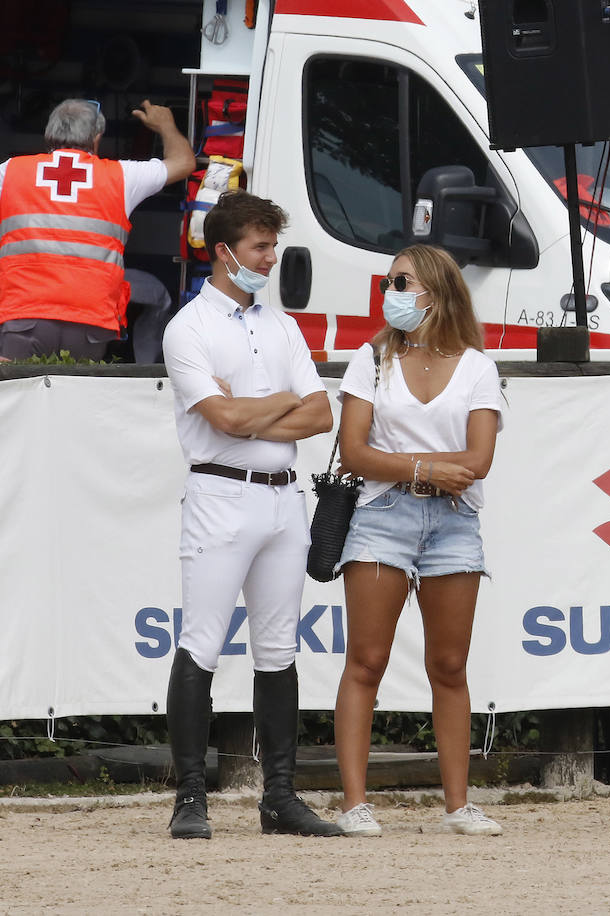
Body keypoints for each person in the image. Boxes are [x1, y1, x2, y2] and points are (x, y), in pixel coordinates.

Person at [162, 191, 341, 840]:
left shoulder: (280, 324)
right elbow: (222, 419)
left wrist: (255, 406)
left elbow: (322, 414)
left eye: (271, 246)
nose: (270, 258)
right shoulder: (189, 328)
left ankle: (279, 798)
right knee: (201, 643)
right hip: (219, 495)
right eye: (259, 247)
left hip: (282, 498)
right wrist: (276, 403)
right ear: (224, 252)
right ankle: (190, 799)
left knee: (278, 649)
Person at [331, 244, 505, 838]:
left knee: (450, 664)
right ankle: (354, 803)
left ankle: (458, 805)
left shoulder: (478, 366)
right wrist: (426, 470)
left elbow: (479, 460)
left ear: (436, 289)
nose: (391, 292)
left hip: (454, 521)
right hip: (383, 515)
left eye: (402, 281)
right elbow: (354, 453)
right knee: (367, 661)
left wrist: (401, 461)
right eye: (389, 282)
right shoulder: (371, 358)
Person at [0, 98, 194, 360]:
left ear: (48, 134)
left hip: (24, 315)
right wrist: (166, 125)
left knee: (17, 399)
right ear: (98, 137)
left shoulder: (10, 172)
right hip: (91, 321)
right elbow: (183, 162)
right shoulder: (122, 177)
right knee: (80, 399)